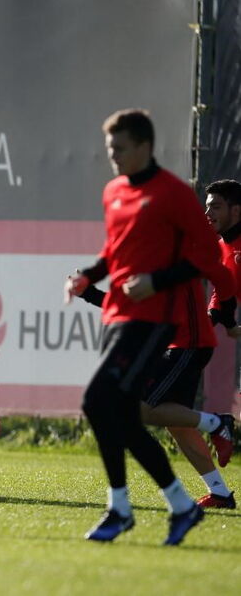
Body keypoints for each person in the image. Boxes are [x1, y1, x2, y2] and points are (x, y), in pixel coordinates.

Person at [65, 109, 234, 545]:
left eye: (119, 148)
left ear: (143, 146)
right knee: (121, 413)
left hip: (156, 321)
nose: (113, 157)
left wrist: (157, 282)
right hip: (118, 315)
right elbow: (114, 250)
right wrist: (88, 275)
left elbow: (208, 260)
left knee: (97, 400)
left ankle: (120, 509)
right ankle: (178, 505)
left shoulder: (173, 195)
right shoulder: (113, 191)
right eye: (109, 150)